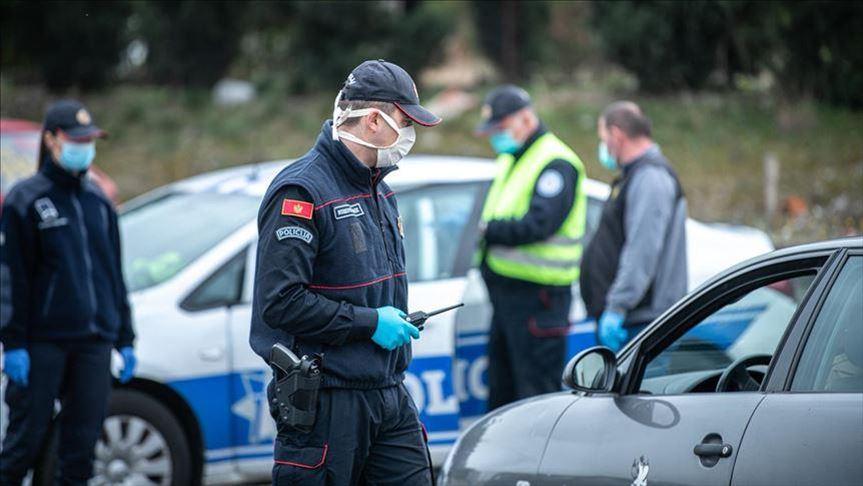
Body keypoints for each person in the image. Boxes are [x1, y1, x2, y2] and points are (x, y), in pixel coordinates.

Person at [249, 60, 441, 485]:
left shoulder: (381, 190)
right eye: (405, 121)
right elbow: (281, 302)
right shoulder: (301, 191)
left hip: (388, 391)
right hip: (328, 402)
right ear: (373, 120)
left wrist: (389, 320)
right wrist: (369, 323)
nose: (411, 135)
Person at [0, 99, 136, 485]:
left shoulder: (98, 202)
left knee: (80, 452)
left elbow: (113, 275)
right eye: (76, 139)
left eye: (90, 139)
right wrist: (13, 343)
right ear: (51, 140)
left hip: (93, 344)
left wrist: (125, 337)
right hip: (43, 343)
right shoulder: (26, 199)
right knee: (22, 447)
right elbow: (12, 277)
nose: (84, 147)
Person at [476, 85, 587, 410]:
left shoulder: (556, 162)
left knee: (535, 399)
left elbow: (540, 224)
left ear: (525, 119)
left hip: (539, 300)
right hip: (510, 299)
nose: (496, 137)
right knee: (504, 394)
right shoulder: (513, 157)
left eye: (500, 128)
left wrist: (488, 230)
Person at [580, 101, 688, 351]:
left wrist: (618, 306)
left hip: (643, 321)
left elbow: (642, 250)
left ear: (617, 135)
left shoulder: (650, 178)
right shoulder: (634, 175)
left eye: (603, 138)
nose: (603, 146)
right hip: (632, 318)